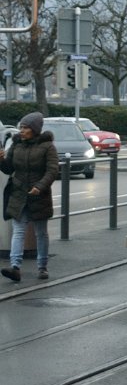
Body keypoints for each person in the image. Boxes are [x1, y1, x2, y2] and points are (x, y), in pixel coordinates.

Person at [0, 112, 59, 283]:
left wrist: (40, 187)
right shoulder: (17, 144)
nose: (22, 131)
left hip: (38, 195)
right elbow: (8, 168)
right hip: (19, 193)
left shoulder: (47, 147)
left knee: (41, 232)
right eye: (21, 127)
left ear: (34, 129)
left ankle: (42, 266)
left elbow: (52, 170)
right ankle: (15, 266)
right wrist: (1, 161)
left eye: (25, 128)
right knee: (18, 230)